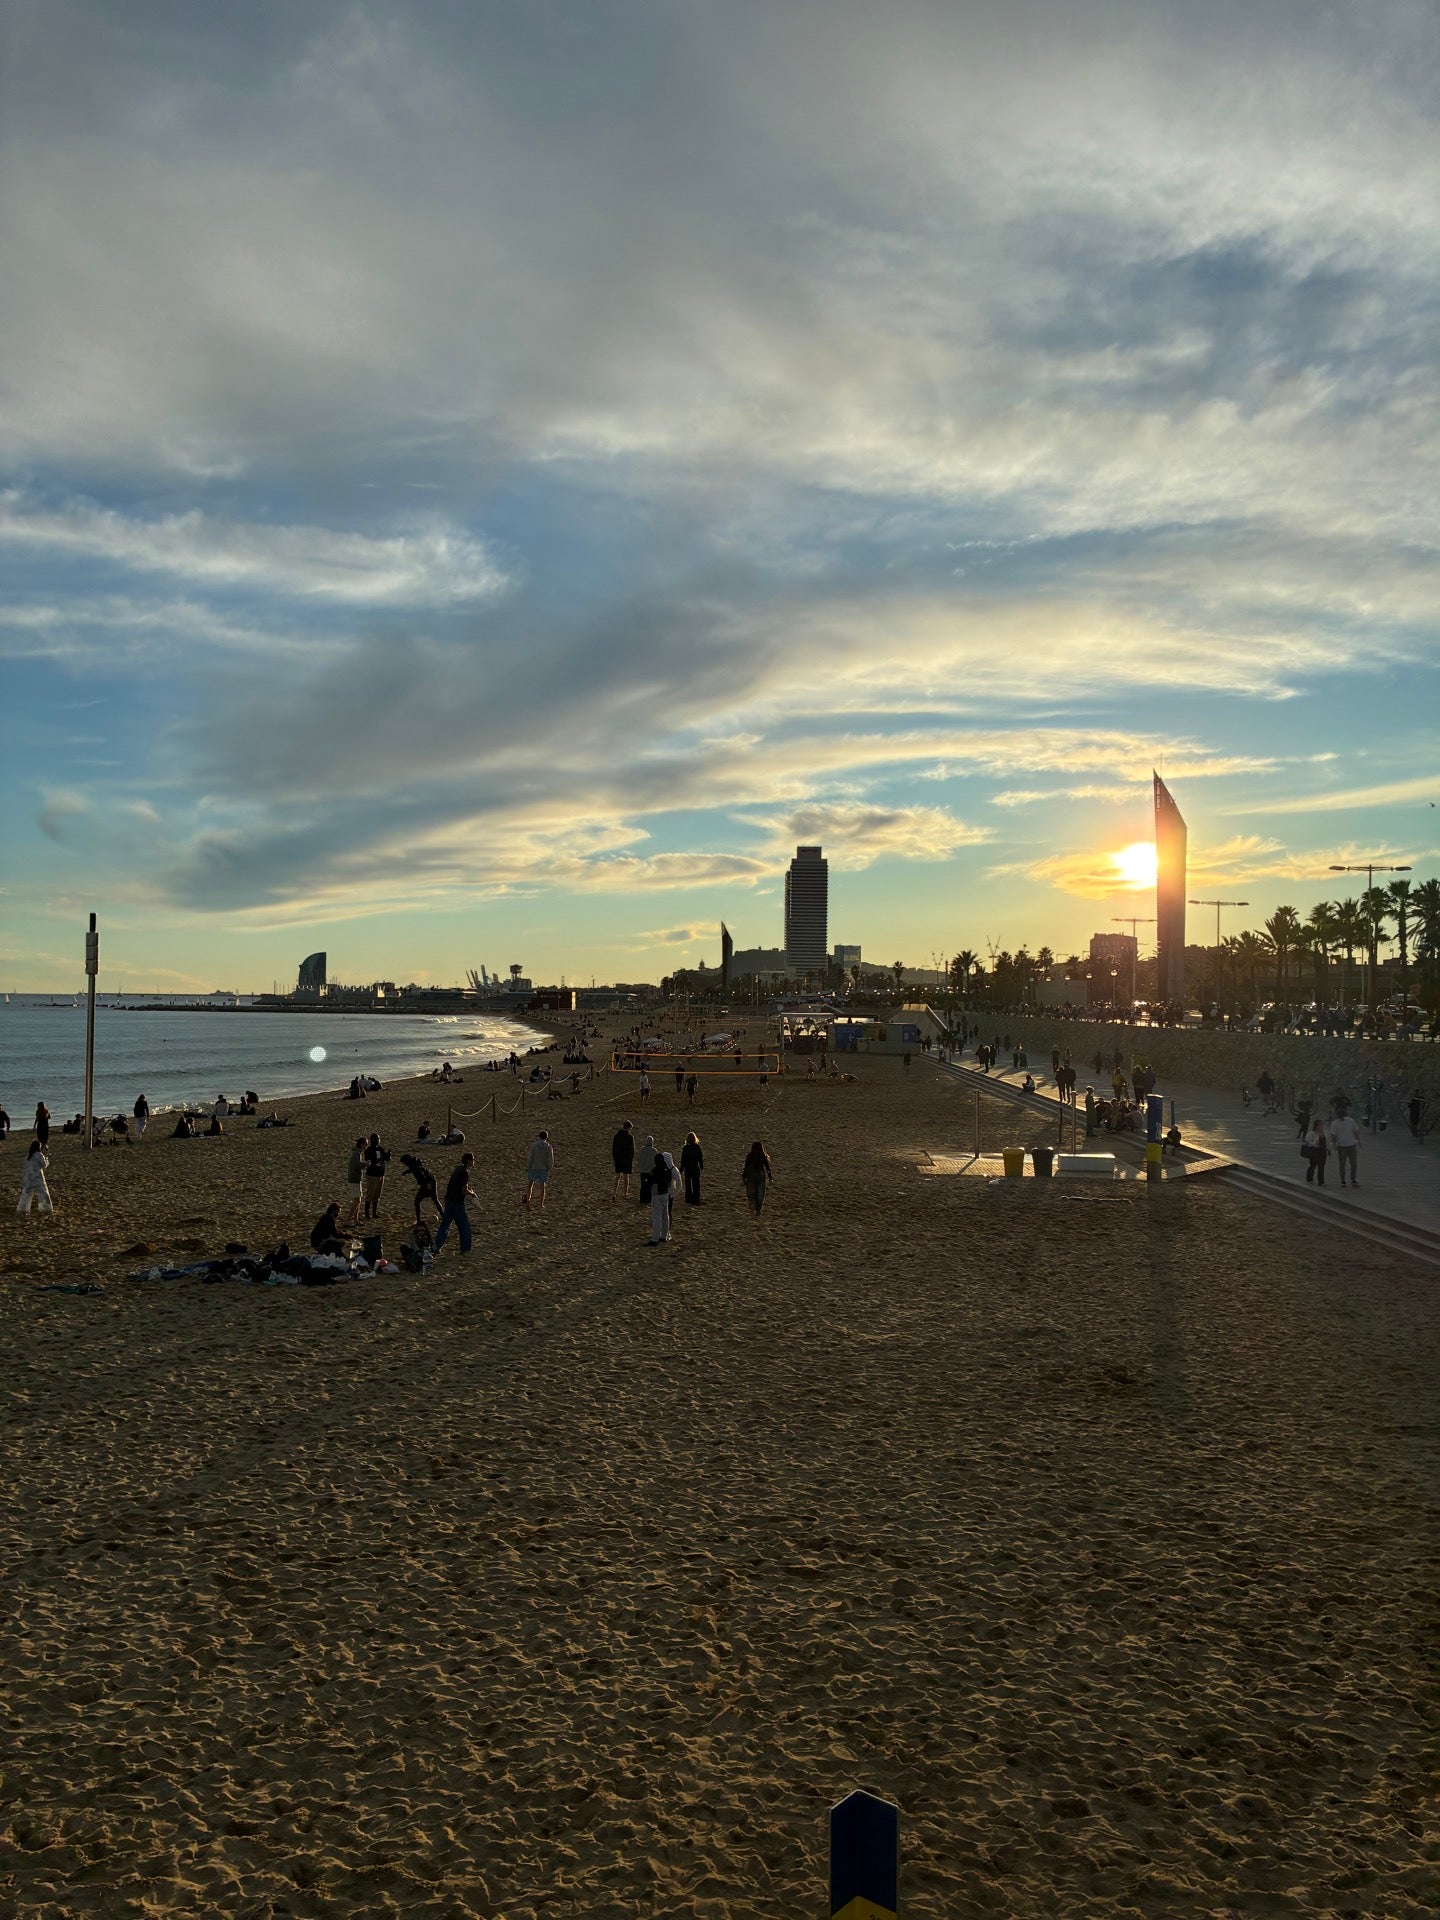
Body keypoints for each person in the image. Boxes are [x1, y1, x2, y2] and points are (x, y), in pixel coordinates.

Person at [434, 1152, 477, 1255]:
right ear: (468, 1161)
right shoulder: (465, 1172)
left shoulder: (458, 1169)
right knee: (464, 1227)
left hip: (449, 1200)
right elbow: (464, 1190)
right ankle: (465, 1249)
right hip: (457, 1203)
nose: (474, 1162)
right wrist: (472, 1194)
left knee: (445, 1225)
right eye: (473, 1160)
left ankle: (436, 1246)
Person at [400, 1152, 442, 1226]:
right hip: (432, 1181)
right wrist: (406, 1172)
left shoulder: (415, 1167)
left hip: (427, 1183)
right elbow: (413, 1169)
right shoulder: (415, 1164)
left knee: (417, 1202)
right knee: (435, 1200)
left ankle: (419, 1220)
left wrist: (427, 1186)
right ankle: (444, 1216)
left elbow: (422, 1175)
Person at [17, 1140, 52, 1216]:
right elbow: (44, 1165)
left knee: (26, 1194)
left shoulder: (28, 1155)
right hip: (37, 1177)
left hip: (28, 1177)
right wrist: (46, 1159)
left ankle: (23, 1209)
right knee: (43, 1193)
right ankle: (45, 1208)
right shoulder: (39, 1155)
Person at [648, 1144, 675, 1243]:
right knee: (665, 1216)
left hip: (657, 1194)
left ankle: (655, 1237)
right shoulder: (667, 1170)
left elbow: (650, 1181)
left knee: (657, 1217)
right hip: (665, 1194)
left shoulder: (655, 1170)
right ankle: (664, 1235)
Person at [522, 1129, 554, 1210]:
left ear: (539, 1136)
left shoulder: (535, 1145)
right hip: (543, 1168)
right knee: (542, 1186)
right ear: (546, 1137)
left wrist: (527, 1166)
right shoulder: (548, 1146)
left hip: (534, 1167)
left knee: (530, 1185)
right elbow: (550, 1159)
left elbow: (531, 1157)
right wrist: (549, 1167)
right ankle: (541, 1204)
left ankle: (528, 1203)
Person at [1330, 1108, 1361, 1187]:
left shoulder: (1350, 1120)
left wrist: (1358, 1140)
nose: (1342, 1117)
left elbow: (1355, 1130)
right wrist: (1334, 1144)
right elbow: (1333, 1135)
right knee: (1342, 1164)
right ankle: (1343, 1180)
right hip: (1342, 1145)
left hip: (1351, 1144)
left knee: (1354, 1163)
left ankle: (1353, 1179)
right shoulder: (1335, 1123)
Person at [741, 1139, 772, 1216]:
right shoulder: (763, 1156)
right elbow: (767, 1167)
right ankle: (758, 1211)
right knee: (760, 1193)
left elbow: (746, 1167)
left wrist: (744, 1178)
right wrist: (770, 1177)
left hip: (751, 1175)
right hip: (761, 1174)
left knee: (751, 1193)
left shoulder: (750, 1156)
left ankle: (752, 1206)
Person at [362, 1133, 388, 1219]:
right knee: (370, 1194)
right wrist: (381, 1158)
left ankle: (374, 1213)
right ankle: (366, 1214)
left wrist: (387, 1156)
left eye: (379, 1139)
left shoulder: (380, 1149)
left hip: (380, 1174)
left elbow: (385, 1159)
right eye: (377, 1139)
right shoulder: (369, 1150)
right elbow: (370, 1161)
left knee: (377, 1195)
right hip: (372, 1174)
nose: (378, 1140)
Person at [611, 1120, 635, 1200]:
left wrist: (615, 1158)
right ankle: (625, 1193)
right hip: (626, 1159)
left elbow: (613, 1149)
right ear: (629, 1128)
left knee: (617, 1176)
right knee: (626, 1177)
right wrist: (631, 1159)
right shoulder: (629, 1137)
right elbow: (632, 1150)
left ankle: (614, 1193)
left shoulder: (616, 1136)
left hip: (618, 1159)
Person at [345, 1136, 366, 1224]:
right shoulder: (356, 1154)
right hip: (354, 1180)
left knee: (358, 1200)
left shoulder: (358, 1153)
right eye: (365, 1144)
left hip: (357, 1179)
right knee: (357, 1201)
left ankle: (355, 1219)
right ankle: (348, 1220)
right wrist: (366, 1164)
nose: (366, 1146)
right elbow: (356, 1166)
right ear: (361, 1145)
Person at [679, 1131, 704, 1205]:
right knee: (696, 1184)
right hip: (695, 1168)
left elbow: (683, 1159)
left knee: (688, 1185)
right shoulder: (697, 1147)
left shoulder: (686, 1148)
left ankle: (688, 1199)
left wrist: (681, 1169)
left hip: (688, 1168)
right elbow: (700, 1157)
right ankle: (696, 1200)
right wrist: (701, 1166)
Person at [637, 1133, 657, 1204]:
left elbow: (639, 1159)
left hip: (643, 1170)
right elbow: (655, 1161)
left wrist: (640, 1166)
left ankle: (642, 1199)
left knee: (643, 1185)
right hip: (650, 1171)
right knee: (649, 1186)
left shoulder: (642, 1149)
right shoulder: (654, 1150)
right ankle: (648, 1199)